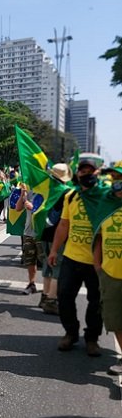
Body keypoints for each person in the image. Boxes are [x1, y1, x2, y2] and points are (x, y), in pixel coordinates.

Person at [48, 158, 103, 356]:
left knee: (96, 302)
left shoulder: (105, 197)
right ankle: (71, 332)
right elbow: (63, 225)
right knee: (64, 296)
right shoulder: (71, 196)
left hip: (97, 261)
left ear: (96, 173)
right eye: (82, 171)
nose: (86, 174)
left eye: (90, 171)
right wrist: (54, 250)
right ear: (77, 175)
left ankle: (92, 339)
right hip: (71, 257)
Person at [93, 163, 122, 375]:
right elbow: (99, 237)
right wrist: (98, 264)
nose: (116, 182)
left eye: (119, 178)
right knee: (114, 319)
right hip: (110, 273)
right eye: (114, 178)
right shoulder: (105, 204)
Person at [38, 163, 73, 315]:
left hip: (43, 232)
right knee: (57, 267)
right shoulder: (66, 192)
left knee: (47, 264)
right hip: (58, 234)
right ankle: (52, 301)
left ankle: (44, 296)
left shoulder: (46, 188)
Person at [15, 184, 43, 295]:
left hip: (41, 233)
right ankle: (32, 284)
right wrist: (22, 195)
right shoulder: (29, 192)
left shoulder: (45, 191)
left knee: (46, 262)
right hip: (28, 233)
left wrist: (33, 208)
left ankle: (51, 289)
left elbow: (48, 210)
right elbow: (18, 208)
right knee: (30, 260)